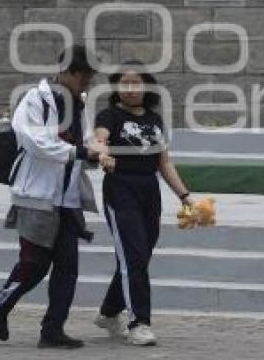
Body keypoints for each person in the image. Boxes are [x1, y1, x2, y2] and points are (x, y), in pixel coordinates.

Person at [0, 45, 105, 349]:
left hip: (68, 197)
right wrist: (78, 152)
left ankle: (52, 330)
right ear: (65, 71)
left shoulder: (80, 104)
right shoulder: (36, 99)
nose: (85, 82)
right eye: (81, 76)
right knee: (34, 264)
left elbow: (85, 140)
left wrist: (97, 153)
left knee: (68, 266)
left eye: (88, 77)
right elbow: (35, 141)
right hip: (35, 195)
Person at [92, 62, 193, 346]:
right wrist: (102, 153)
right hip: (121, 189)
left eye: (136, 83)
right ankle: (139, 322)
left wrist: (185, 196)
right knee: (133, 256)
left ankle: (109, 313)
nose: (130, 88)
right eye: (124, 83)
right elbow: (99, 138)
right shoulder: (109, 115)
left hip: (149, 191)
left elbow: (164, 162)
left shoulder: (154, 120)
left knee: (138, 255)